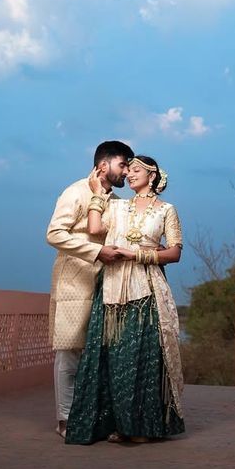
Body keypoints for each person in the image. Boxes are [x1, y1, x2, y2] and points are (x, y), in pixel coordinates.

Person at [65, 155, 185, 444]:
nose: (129, 175)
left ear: (153, 175)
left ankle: (142, 427)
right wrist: (96, 194)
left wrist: (137, 255)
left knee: (142, 359)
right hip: (111, 288)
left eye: (136, 170)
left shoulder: (166, 210)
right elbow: (95, 229)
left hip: (147, 290)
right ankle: (114, 425)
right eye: (128, 170)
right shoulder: (116, 206)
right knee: (112, 359)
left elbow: (175, 252)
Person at [46, 140, 134, 438]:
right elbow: (54, 233)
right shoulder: (76, 191)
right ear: (102, 165)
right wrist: (96, 253)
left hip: (107, 281)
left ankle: (93, 417)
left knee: (100, 353)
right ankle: (65, 420)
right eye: (122, 164)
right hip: (75, 279)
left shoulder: (117, 200)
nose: (126, 171)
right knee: (69, 351)